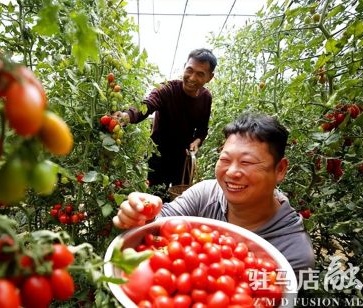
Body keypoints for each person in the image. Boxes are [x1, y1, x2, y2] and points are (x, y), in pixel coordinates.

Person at [113, 113, 315, 277]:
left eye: (247, 162)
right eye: (225, 160)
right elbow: (160, 225)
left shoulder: (293, 254)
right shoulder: (205, 194)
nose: (231, 172)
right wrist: (141, 214)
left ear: (280, 169)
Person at [116, 48, 217, 188]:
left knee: (180, 202)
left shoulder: (205, 98)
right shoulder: (167, 89)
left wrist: (197, 141)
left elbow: (202, 129)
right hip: (158, 156)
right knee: (154, 197)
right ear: (184, 67)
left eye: (200, 74)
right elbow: (148, 105)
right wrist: (128, 115)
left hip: (183, 159)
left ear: (209, 77)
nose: (192, 77)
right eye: (189, 70)